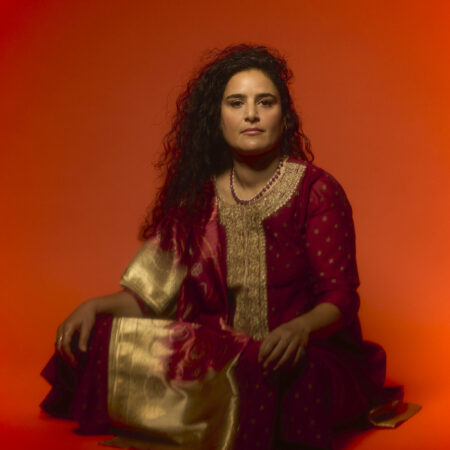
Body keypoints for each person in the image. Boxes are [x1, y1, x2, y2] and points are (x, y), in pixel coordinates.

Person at [41, 44, 417, 450]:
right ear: (217, 120)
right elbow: (151, 296)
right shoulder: (199, 200)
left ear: (284, 117)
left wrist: (299, 329)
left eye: (265, 102)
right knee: (100, 336)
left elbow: (341, 298)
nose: (251, 114)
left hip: (299, 352)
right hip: (221, 351)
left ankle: (207, 410)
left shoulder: (317, 190)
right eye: (236, 103)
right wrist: (94, 306)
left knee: (292, 377)